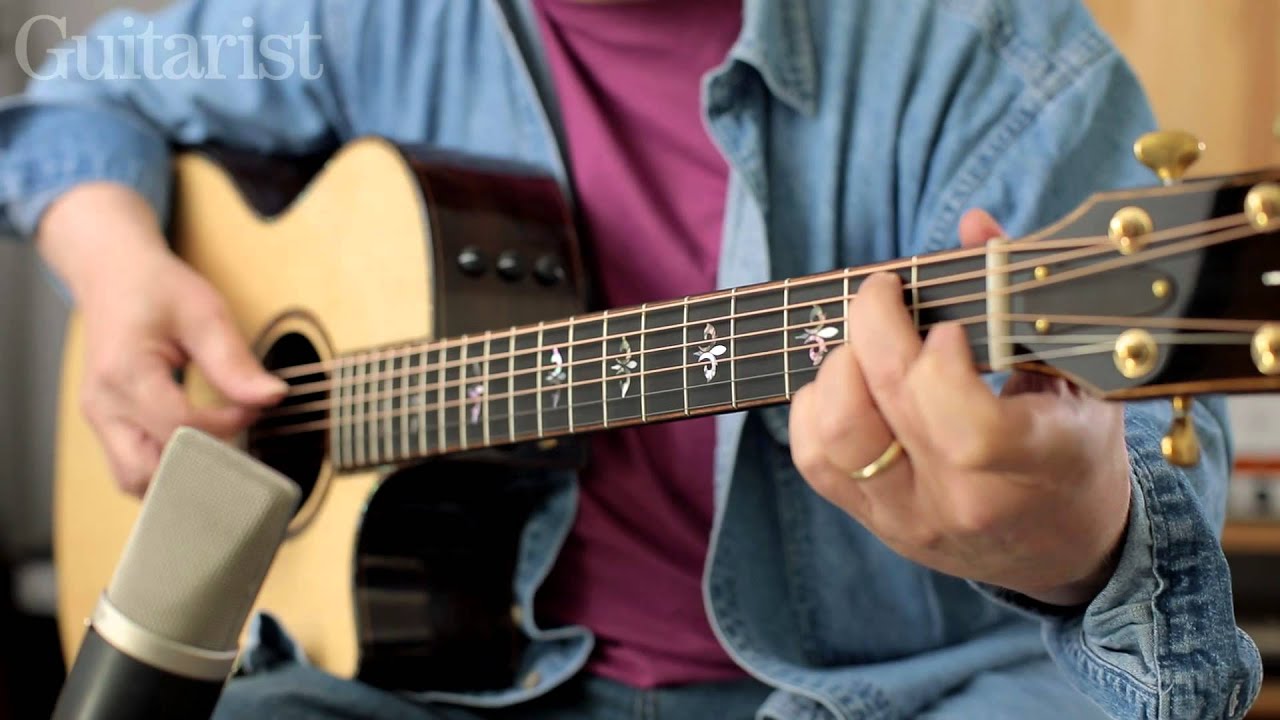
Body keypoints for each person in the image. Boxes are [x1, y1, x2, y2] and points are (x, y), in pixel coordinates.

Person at [0, 1, 1262, 718]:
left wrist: (1068, 546)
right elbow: (76, 89)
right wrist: (115, 275)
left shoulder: (1006, 71)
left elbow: (1171, 592)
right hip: (406, 686)